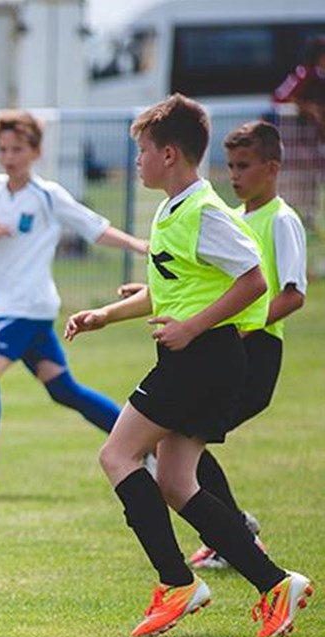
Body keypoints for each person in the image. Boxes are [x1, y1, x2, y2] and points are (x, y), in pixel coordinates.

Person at [64, 94, 312, 637]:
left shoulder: (203, 211)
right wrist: (105, 315)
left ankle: (177, 583)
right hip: (198, 356)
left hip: (202, 357)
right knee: (177, 481)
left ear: (170, 154)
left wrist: (192, 326)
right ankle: (275, 584)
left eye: (143, 151)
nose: (137, 161)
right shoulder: (173, 208)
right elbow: (165, 290)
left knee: (117, 453)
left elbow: (255, 280)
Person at [0, 110, 147, 497]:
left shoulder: (47, 195)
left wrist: (139, 244)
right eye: (4, 149)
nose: (9, 157)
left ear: (36, 151)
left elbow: (94, 227)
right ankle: (144, 446)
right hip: (25, 309)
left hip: (24, 307)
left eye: (18, 149)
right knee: (64, 390)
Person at [118, 121, 308, 571]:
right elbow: (201, 287)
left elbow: (289, 293)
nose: (235, 175)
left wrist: (231, 327)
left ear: (272, 168)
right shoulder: (229, 216)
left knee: (169, 448)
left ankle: (232, 537)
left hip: (254, 353)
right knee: (177, 456)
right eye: (231, 166)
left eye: (245, 166)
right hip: (218, 346)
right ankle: (244, 550)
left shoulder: (279, 220)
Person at [272, 35, 325, 232]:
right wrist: (308, 109)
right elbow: (282, 98)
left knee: (312, 178)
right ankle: (296, 217)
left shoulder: (318, 77)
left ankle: (309, 216)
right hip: (297, 141)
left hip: (312, 141)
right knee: (296, 180)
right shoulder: (305, 75)